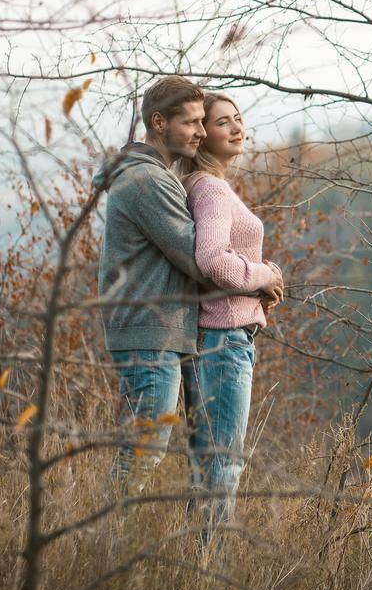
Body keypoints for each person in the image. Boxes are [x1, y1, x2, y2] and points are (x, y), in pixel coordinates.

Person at [92, 76, 281, 518]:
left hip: (164, 329)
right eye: (195, 122)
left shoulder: (160, 177)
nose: (199, 132)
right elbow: (204, 261)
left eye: (203, 122)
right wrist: (261, 276)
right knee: (148, 448)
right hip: (151, 330)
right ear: (159, 123)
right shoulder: (149, 181)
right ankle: (103, 538)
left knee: (161, 450)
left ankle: (109, 538)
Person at [179, 92, 285, 544]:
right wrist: (265, 275)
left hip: (217, 338)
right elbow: (213, 261)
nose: (237, 127)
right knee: (224, 463)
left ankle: (191, 567)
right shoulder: (212, 188)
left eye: (239, 118)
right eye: (224, 122)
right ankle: (210, 568)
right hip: (222, 341)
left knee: (209, 464)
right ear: (203, 135)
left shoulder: (207, 185)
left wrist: (259, 294)